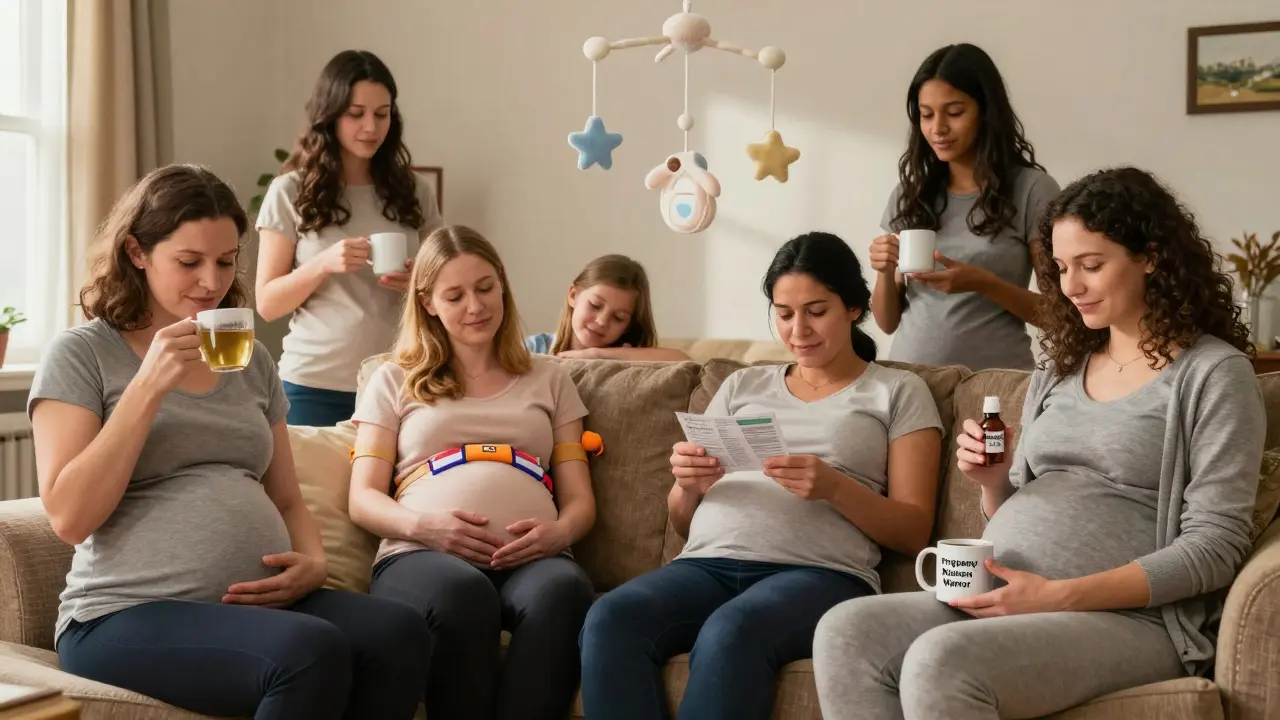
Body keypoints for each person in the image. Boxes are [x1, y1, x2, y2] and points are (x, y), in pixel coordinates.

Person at [812, 167, 1266, 720]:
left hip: (1131, 620)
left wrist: (1057, 594)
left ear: (1150, 256)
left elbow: (1216, 548)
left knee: (940, 661)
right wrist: (993, 481)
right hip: (1003, 596)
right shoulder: (1059, 365)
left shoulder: (1213, 374)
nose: (1070, 286)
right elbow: (1017, 503)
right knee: (845, 629)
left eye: (1091, 265)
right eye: (1061, 268)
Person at [28, 164, 430, 720]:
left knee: (398, 631)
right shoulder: (82, 354)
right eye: (189, 262)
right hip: (124, 613)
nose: (211, 281)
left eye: (224, 261)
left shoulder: (249, 359)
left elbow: (286, 496)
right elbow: (70, 516)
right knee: (306, 652)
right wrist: (148, 386)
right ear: (136, 252)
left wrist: (313, 561)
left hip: (254, 606)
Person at [578, 232, 945, 720]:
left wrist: (835, 487)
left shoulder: (898, 391)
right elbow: (684, 523)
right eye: (784, 312)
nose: (799, 330)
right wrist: (688, 486)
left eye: (817, 311)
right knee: (610, 618)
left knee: (733, 631)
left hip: (820, 575)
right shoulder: (741, 384)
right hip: (705, 565)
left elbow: (914, 530)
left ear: (853, 307)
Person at [347, 225, 598, 720]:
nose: (475, 306)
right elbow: (363, 498)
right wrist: (425, 528)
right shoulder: (392, 378)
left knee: (566, 591)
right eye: (455, 295)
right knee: (463, 594)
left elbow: (580, 499)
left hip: (532, 558)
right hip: (420, 556)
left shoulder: (550, 377)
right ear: (428, 302)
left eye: (485, 288)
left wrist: (559, 533)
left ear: (502, 283)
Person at [255, 49, 443, 426]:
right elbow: (268, 303)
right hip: (312, 385)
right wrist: (323, 264)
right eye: (356, 114)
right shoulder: (289, 191)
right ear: (330, 115)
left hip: (400, 379)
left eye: (382, 113)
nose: (371, 127)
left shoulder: (415, 190)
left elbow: (446, 284)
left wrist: (419, 285)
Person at [869, 43, 1061, 371]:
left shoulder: (1032, 190)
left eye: (954, 112)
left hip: (995, 386)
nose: (937, 128)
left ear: (985, 111)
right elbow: (887, 323)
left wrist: (985, 283)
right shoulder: (909, 194)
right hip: (910, 381)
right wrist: (884, 271)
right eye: (926, 115)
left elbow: (1060, 314)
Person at [524, 254, 691, 361]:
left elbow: (683, 360)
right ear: (573, 295)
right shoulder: (535, 348)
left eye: (618, 318)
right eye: (595, 305)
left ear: (627, 326)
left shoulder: (624, 358)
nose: (602, 321)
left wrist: (597, 354)